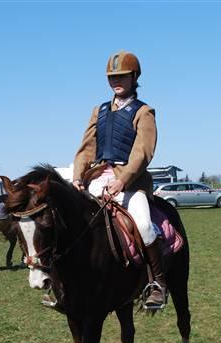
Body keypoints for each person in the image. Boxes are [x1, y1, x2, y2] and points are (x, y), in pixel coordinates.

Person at [72, 50, 166, 309]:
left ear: (134, 77)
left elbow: (143, 151)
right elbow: (87, 147)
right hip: (96, 179)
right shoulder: (99, 110)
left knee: (145, 225)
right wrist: (78, 177)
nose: (116, 81)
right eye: (112, 77)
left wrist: (122, 180)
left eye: (122, 76)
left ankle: (157, 283)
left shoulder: (143, 112)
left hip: (130, 183)